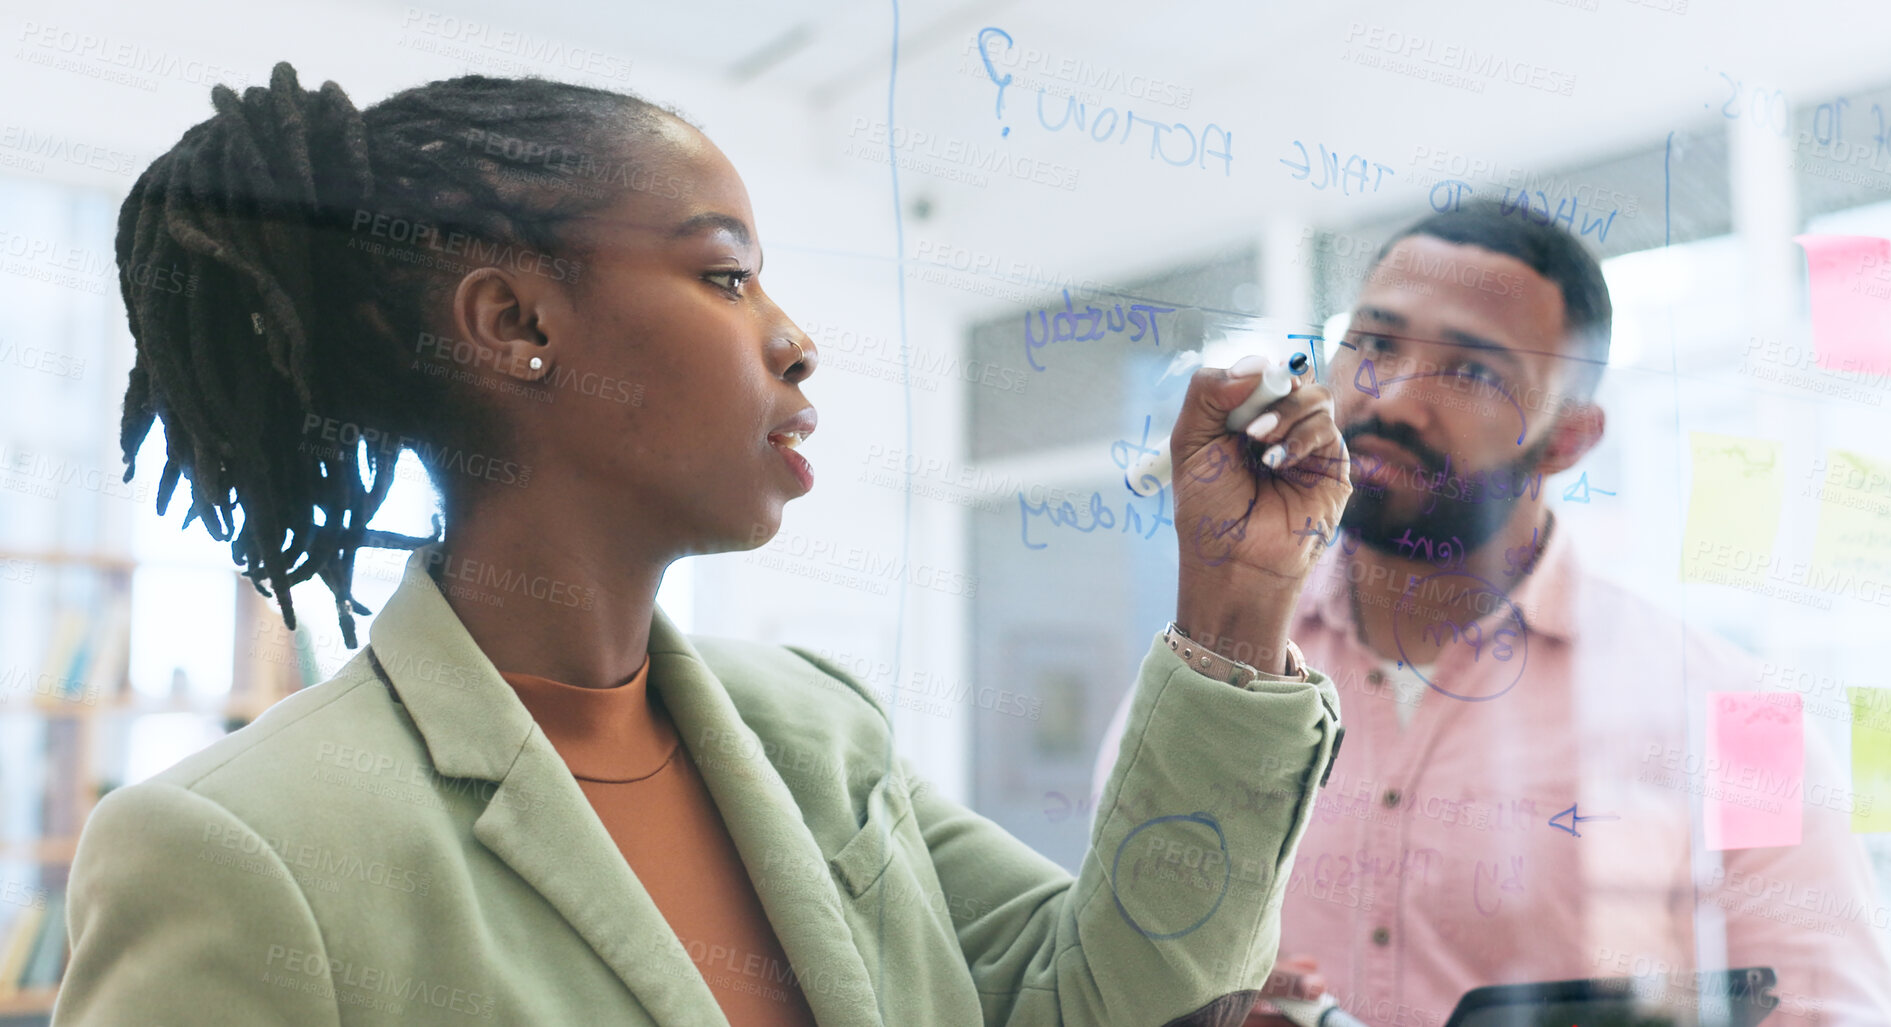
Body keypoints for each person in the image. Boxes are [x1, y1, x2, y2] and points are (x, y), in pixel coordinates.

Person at [56, 63, 1351, 1026]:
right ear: (514, 321)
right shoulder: (240, 850)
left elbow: (1113, 998)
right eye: (726, 276)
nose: (792, 338)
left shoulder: (816, 730)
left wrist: (1237, 599)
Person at [1093, 205, 1891, 1026]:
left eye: (1473, 373)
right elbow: (1100, 971)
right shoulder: (1214, 676)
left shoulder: (1735, 712)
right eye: (1375, 343)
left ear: (1569, 439)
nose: (1396, 399)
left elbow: (1827, 1009)